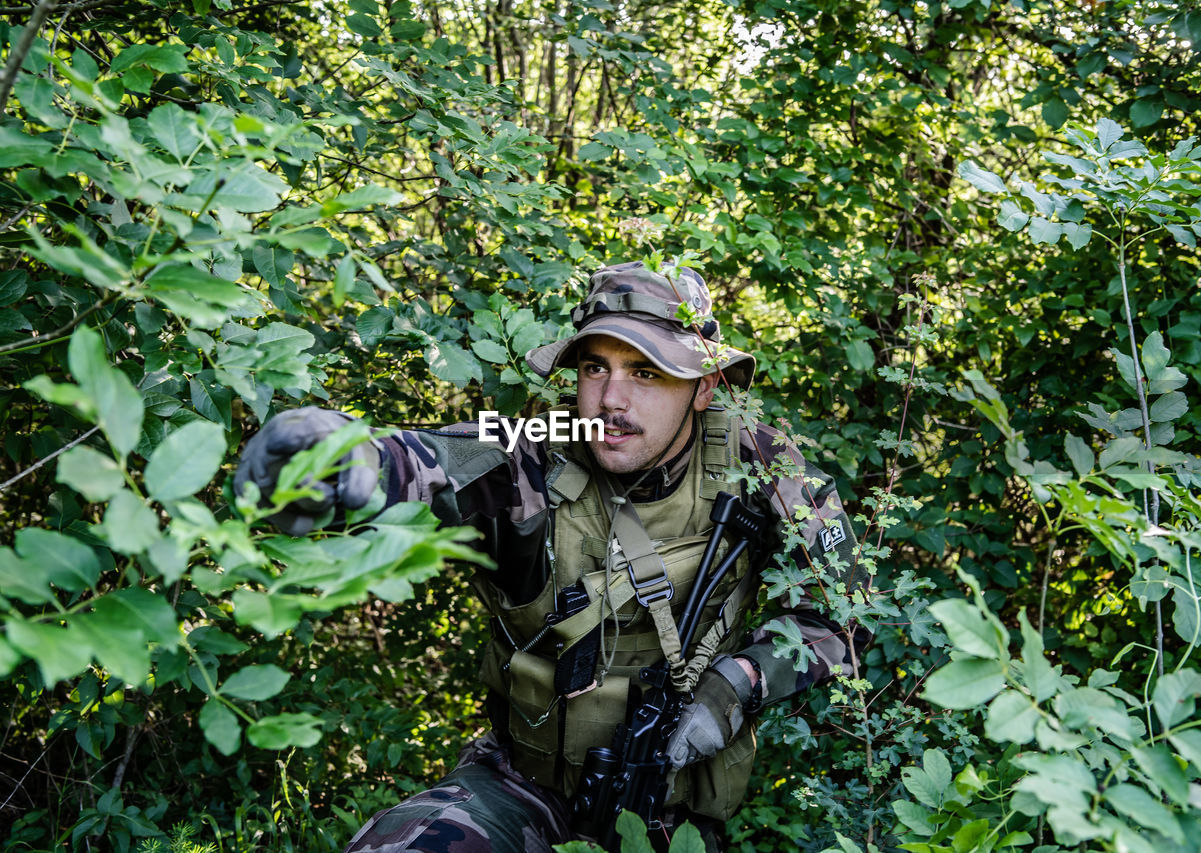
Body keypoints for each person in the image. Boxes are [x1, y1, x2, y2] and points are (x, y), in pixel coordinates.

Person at [234, 261, 868, 852]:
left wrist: (740, 684)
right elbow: (439, 457)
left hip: (675, 814)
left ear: (703, 389)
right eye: (596, 368)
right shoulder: (540, 446)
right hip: (523, 787)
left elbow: (843, 614)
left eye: (646, 372)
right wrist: (340, 456)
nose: (611, 400)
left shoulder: (763, 468)